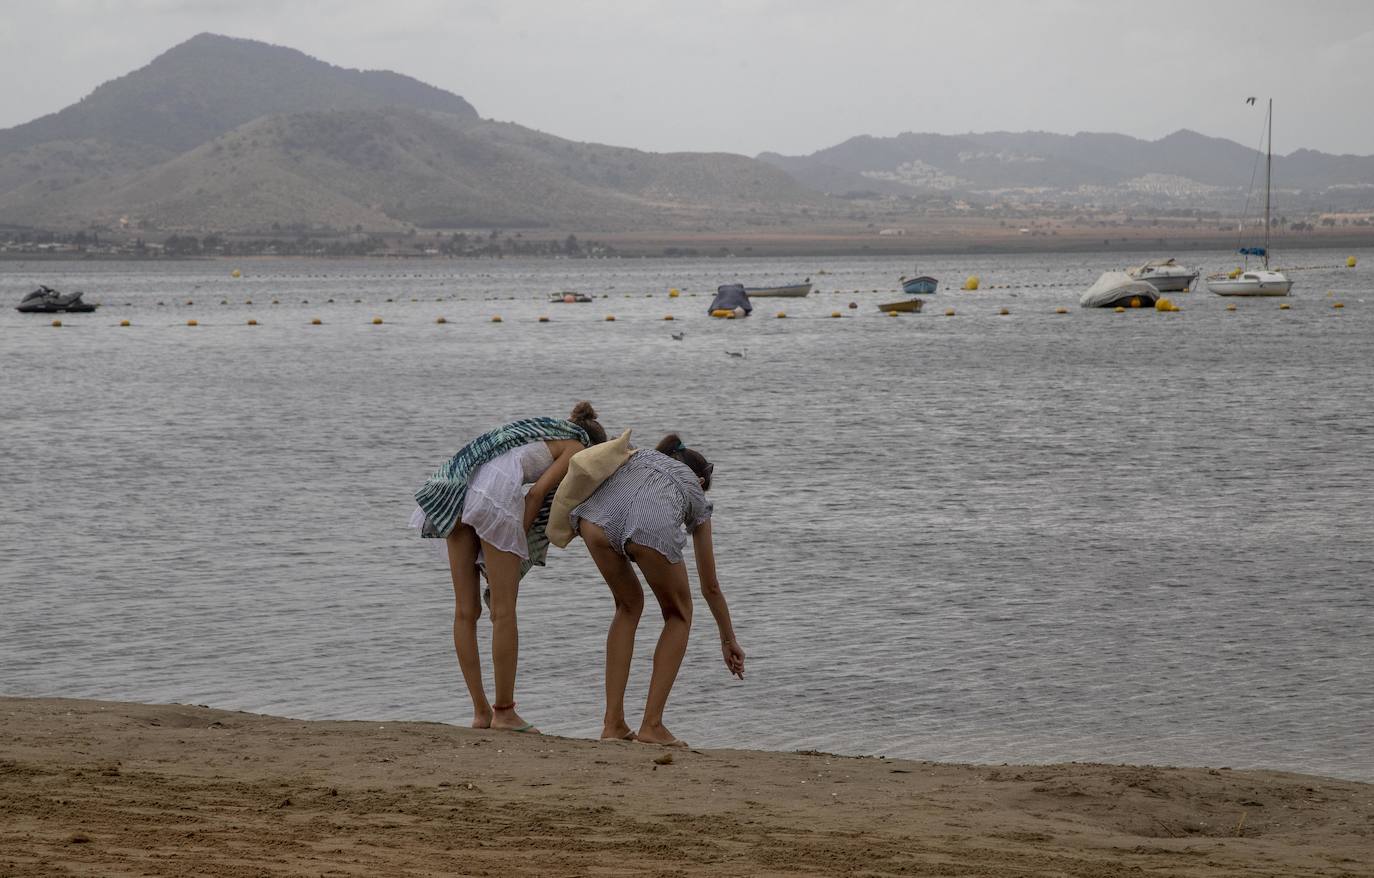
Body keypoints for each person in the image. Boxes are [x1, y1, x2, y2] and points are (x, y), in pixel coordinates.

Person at [412, 402, 607, 733]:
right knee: (503, 612)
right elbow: (536, 496)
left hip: (457, 491)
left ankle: (480, 712)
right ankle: (503, 712)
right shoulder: (576, 447)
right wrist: (516, 546)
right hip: (492, 497)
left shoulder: (538, 432)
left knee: (465, 612)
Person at [571, 433, 744, 746]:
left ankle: (612, 723)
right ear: (701, 480)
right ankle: (652, 725)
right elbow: (710, 586)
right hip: (650, 527)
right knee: (679, 614)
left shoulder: (641, 456)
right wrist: (728, 639)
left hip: (593, 519)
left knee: (627, 606)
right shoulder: (694, 489)